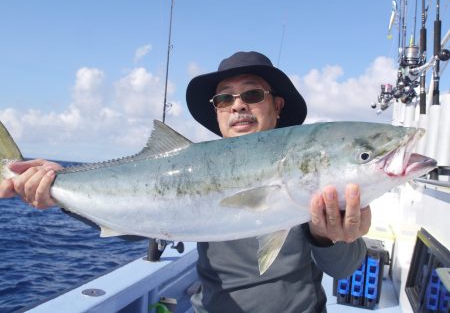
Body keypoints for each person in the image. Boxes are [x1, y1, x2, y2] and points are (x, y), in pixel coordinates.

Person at [0, 51, 371, 312]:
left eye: (253, 94)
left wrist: (327, 235)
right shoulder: (188, 166)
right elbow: (134, 227)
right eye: (225, 99)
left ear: (278, 106)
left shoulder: (309, 165)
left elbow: (343, 269)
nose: (238, 105)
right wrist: (57, 190)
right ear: (217, 112)